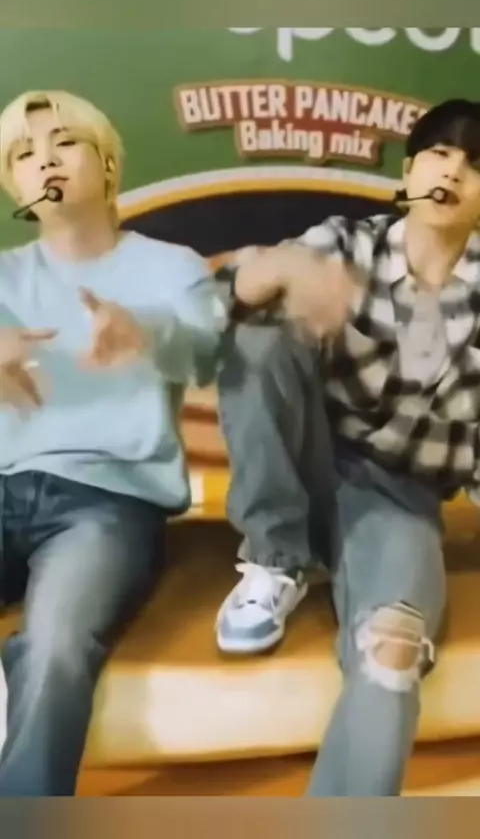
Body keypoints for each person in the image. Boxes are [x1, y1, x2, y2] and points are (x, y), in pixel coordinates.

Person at [214, 98, 480, 796]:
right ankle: (275, 559)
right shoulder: (346, 242)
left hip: (396, 496)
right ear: (409, 169)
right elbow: (211, 314)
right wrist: (268, 274)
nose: (453, 171)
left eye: (475, 163)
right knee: (260, 333)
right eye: (439, 153)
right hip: (303, 461)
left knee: (393, 653)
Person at [0, 90, 224, 796]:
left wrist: (144, 332)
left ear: (106, 164)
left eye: (63, 142)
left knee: (56, 643)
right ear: (13, 186)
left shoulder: (171, 265)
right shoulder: (4, 274)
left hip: (108, 505)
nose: (44, 161)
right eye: (23, 153)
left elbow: (210, 357)